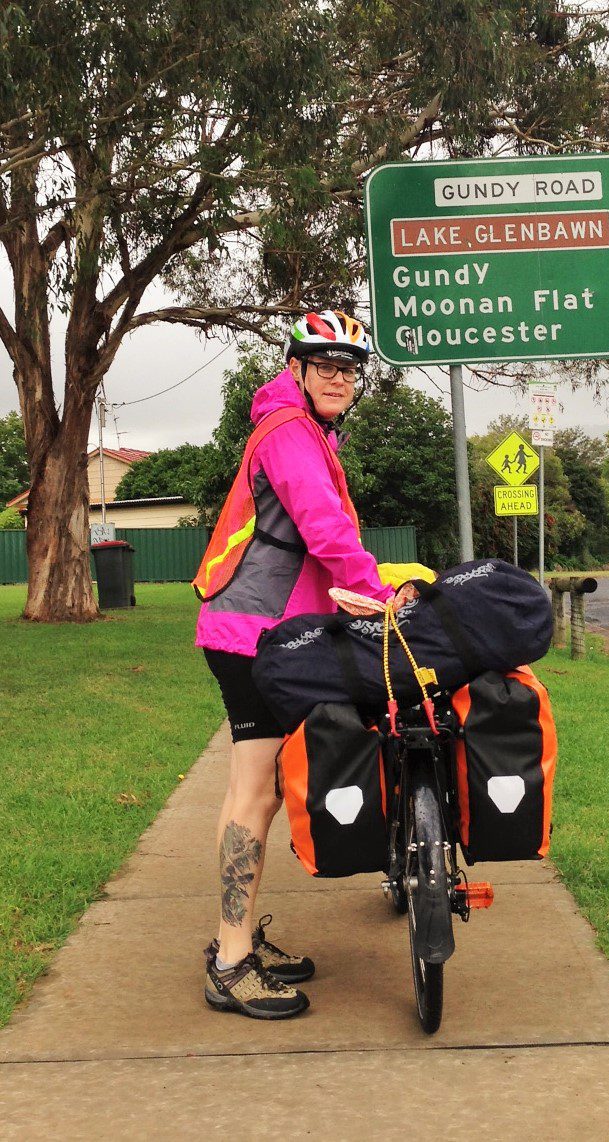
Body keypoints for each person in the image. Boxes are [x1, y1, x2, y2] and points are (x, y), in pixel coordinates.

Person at [196, 309, 400, 1020]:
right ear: (297, 369)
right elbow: (324, 528)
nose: (339, 377)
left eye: (349, 368)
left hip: (260, 632)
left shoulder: (303, 428)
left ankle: (239, 935)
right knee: (255, 792)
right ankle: (229, 961)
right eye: (325, 365)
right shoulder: (289, 433)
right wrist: (378, 594)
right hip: (252, 635)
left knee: (257, 790)